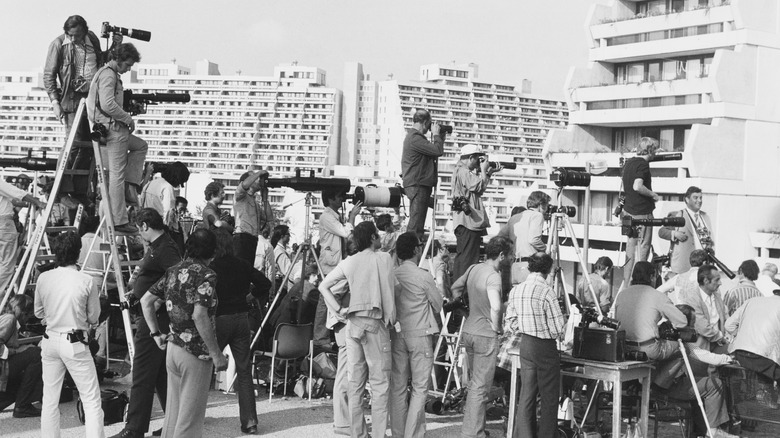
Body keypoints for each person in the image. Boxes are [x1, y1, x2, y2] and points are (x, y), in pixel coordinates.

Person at [141, 228, 228, 438]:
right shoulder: (206, 274)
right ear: (212, 251)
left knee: (173, 417)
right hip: (196, 352)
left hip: (173, 347)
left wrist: (155, 334)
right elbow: (200, 316)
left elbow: (146, 301)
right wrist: (216, 354)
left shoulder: (173, 271)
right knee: (189, 421)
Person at [318, 221, 396, 438]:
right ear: (372, 237)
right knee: (380, 385)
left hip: (352, 323)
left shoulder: (350, 261)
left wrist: (338, 310)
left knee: (355, 384)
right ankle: (379, 434)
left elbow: (323, 286)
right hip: (375, 323)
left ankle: (358, 434)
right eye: (377, 235)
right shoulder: (384, 258)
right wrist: (392, 320)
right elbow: (388, 293)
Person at [111, 209, 182, 438]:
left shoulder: (164, 247)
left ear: (143, 225)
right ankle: (174, 422)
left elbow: (179, 275)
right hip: (151, 313)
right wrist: (137, 293)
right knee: (160, 374)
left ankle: (134, 429)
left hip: (154, 317)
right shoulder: (161, 245)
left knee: (141, 373)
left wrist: (157, 298)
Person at [34, 231, 104, 437]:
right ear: (78, 252)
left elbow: (38, 312)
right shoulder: (86, 280)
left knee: (49, 400)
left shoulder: (44, 277)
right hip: (74, 342)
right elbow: (94, 317)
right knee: (91, 400)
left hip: (50, 339)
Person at [209, 228, 271, 435]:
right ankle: (250, 422)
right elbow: (265, 283)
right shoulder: (242, 264)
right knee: (244, 372)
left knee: (202, 367)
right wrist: (251, 296)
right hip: (241, 319)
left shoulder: (211, 267)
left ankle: (194, 416)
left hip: (219, 319)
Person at [451, 236, 513, 438]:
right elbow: (496, 306)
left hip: (469, 330)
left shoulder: (473, 269)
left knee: (474, 385)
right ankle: (472, 433)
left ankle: (474, 429)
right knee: (481, 388)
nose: (512, 259)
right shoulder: (494, 276)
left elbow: (455, 289)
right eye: (510, 255)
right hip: (486, 334)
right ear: (501, 255)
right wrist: (497, 327)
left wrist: (467, 312)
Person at [86, 43, 148, 234]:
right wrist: (127, 119)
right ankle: (119, 220)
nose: (128, 69)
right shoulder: (108, 75)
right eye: (127, 65)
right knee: (116, 176)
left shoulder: (106, 74)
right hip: (114, 130)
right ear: (119, 59)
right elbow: (107, 103)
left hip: (111, 127)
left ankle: (130, 184)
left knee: (140, 146)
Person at [501, 252, 564, 438]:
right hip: (544, 346)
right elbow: (558, 328)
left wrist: (526, 326)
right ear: (548, 269)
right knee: (549, 396)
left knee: (527, 393)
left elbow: (510, 322)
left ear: (530, 267)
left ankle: (524, 435)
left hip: (525, 343)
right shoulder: (547, 291)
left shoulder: (517, 290)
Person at [389, 232, 443, 438]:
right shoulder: (423, 275)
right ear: (416, 250)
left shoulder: (393, 274)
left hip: (397, 334)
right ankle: (413, 434)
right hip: (420, 334)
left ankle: (397, 433)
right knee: (420, 388)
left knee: (398, 387)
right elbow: (438, 305)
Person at [614, 261, 688, 388]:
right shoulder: (657, 296)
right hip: (647, 349)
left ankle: (638, 385)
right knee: (682, 350)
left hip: (623, 348)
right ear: (652, 276)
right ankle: (657, 386)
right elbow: (682, 321)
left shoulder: (621, 295)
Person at [668, 305, 735, 436]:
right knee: (714, 385)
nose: (694, 328)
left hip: (660, 384)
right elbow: (707, 357)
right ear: (683, 322)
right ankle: (713, 430)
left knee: (701, 381)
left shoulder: (664, 333)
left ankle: (702, 429)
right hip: (671, 387)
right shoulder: (681, 341)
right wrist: (729, 358)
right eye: (692, 324)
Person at [313, 188, 360, 351]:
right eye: (340, 196)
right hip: (330, 264)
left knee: (333, 298)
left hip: (336, 263)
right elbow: (346, 232)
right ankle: (320, 338)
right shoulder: (327, 217)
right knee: (325, 300)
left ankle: (328, 334)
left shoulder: (335, 216)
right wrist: (353, 217)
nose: (342, 199)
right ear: (331, 199)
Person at [451, 144, 500, 281]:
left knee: (464, 257)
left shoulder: (459, 170)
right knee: (469, 259)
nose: (479, 163)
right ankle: (463, 291)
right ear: (471, 157)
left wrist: (487, 173)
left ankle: (458, 290)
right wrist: (485, 172)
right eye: (477, 159)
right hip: (468, 222)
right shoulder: (464, 171)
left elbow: (478, 186)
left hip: (465, 221)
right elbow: (479, 187)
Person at [726, 292, 780, 406]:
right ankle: (770, 402)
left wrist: (740, 336)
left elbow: (728, 325)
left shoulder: (752, 301)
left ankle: (766, 399)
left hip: (741, 353)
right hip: (763, 357)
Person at [621, 137, 661, 287]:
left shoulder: (629, 163)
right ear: (650, 151)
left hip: (629, 213)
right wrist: (653, 195)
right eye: (655, 150)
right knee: (643, 250)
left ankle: (627, 284)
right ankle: (639, 284)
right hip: (642, 213)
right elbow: (637, 186)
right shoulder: (643, 165)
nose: (656, 154)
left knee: (630, 250)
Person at [402, 109, 446, 238]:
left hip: (418, 184)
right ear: (425, 122)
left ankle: (411, 250)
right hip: (418, 185)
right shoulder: (415, 138)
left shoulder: (415, 138)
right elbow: (437, 150)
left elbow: (433, 151)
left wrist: (440, 137)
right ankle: (409, 252)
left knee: (417, 223)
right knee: (416, 226)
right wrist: (437, 136)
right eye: (430, 123)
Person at [0, 294, 43, 417]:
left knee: (31, 354)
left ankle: (20, 402)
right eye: (28, 315)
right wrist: (18, 351)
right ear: (23, 312)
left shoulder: (8, 319)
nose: (27, 319)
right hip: (2, 366)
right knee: (36, 354)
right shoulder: (10, 319)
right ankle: (22, 406)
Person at [0, 179, 45, 294]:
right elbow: (16, 192)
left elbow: (12, 199)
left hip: (5, 224)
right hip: (3, 223)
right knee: (7, 264)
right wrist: (36, 202)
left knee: (4, 262)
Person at [498, 190, 551, 285]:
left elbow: (500, 237)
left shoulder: (515, 217)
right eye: (546, 206)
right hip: (529, 266)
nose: (546, 209)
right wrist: (545, 249)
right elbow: (533, 239)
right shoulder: (537, 216)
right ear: (541, 204)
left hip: (514, 266)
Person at [658, 186, 714, 276]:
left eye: (700, 198)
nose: (699, 200)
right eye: (695, 198)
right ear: (687, 200)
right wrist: (674, 234)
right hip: (684, 266)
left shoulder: (705, 217)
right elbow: (662, 231)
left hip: (703, 267)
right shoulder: (678, 215)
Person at [139, 162, 190, 253]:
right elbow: (168, 212)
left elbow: (141, 201)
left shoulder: (151, 183)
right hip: (160, 231)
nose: (179, 185)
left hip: (146, 227)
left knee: (150, 256)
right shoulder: (167, 187)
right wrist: (167, 231)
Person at [678, 265, 728, 353]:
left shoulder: (717, 296)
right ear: (706, 281)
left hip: (719, 342)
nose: (720, 283)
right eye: (717, 280)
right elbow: (703, 328)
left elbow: (725, 317)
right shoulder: (692, 298)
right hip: (701, 346)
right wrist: (721, 337)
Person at [233, 170, 273, 264]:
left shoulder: (254, 202)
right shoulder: (240, 196)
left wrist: (265, 199)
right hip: (242, 237)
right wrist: (259, 173)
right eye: (255, 178)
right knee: (241, 268)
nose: (259, 181)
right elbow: (244, 186)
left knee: (247, 270)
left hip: (252, 239)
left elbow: (269, 217)